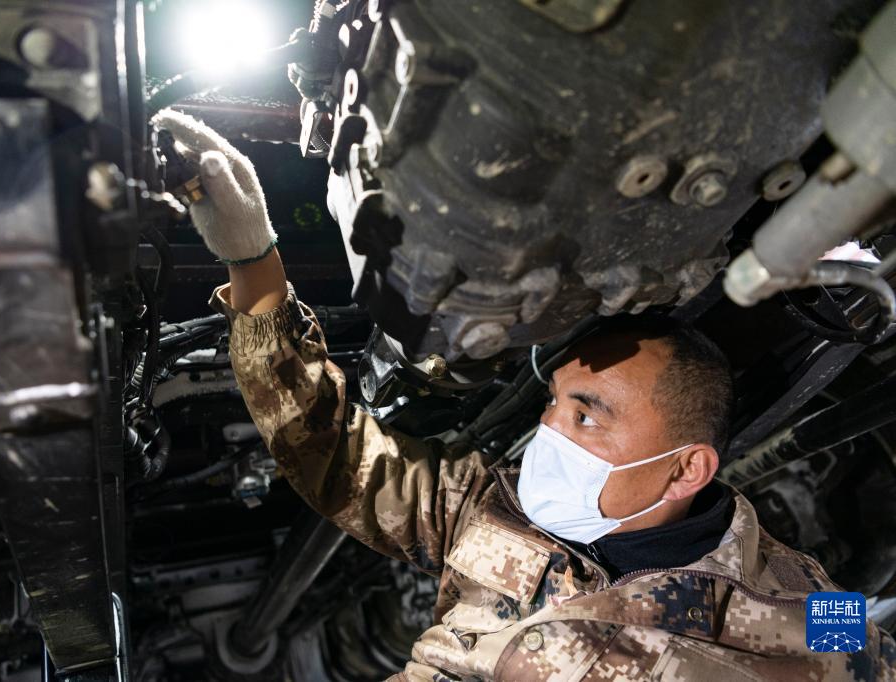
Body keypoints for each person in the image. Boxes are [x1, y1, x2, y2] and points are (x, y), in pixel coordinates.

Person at [154, 110, 896, 681]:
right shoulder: (487, 507)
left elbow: (870, 653)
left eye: (587, 416)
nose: (549, 433)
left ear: (685, 469)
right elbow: (330, 450)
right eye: (553, 404)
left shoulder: (803, 604)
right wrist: (253, 262)